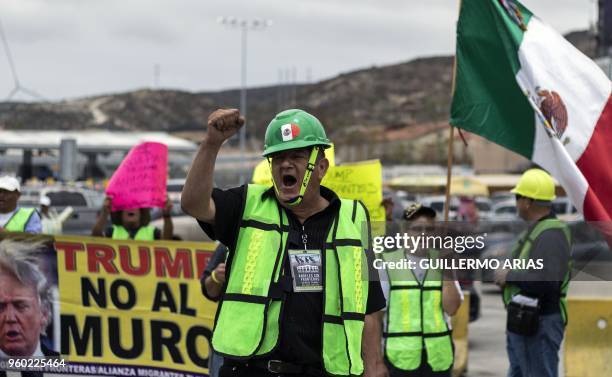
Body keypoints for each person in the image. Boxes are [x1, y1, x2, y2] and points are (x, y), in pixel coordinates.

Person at [182, 108, 387, 377]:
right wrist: (212, 144)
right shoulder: (246, 205)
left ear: (321, 167)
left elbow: (369, 307)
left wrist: (373, 367)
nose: (285, 164)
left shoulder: (354, 218)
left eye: (296, 156)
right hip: (251, 370)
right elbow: (193, 203)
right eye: (277, 158)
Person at [494, 168, 572, 377]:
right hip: (525, 322)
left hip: (539, 324)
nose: (516, 203)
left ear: (527, 201)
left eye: (518, 197)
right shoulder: (538, 230)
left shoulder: (551, 235)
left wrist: (509, 276)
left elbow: (547, 282)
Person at [380, 204, 463, 377]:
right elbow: (375, 317)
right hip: (400, 358)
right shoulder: (387, 264)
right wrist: (374, 359)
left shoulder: (443, 259)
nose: (424, 234)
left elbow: (452, 308)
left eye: (429, 229)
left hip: (438, 357)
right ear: (404, 232)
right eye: (417, 229)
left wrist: (447, 268)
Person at [0, 239, 56, 357]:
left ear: (44, 313)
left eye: (20, 306)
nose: (10, 318)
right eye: (0, 307)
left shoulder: (66, 368)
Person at [200, 243, 229, 377]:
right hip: (228, 338)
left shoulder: (298, 238)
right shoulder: (229, 242)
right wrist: (215, 277)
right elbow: (209, 291)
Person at [91, 196, 174, 240]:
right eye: (126, 205)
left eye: (135, 205)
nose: (131, 208)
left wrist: (166, 215)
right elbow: (96, 236)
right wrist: (105, 213)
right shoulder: (112, 231)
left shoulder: (152, 232)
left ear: (141, 212)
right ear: (120, 213)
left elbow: (166, 238)